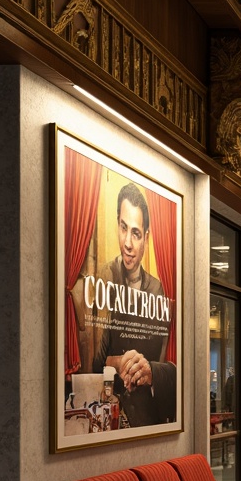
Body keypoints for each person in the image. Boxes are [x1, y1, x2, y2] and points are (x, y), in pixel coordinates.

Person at [88, 182, 176, 426]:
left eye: (136, 233)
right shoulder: (104, 277)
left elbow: (162, 359)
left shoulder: (157, 289)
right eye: (123, 227)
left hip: (148, 415)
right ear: (117, 223)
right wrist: (119, 362)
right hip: (110, 409)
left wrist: (147, 370)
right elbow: (93, 362)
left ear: (146, 237)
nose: (127, 242)